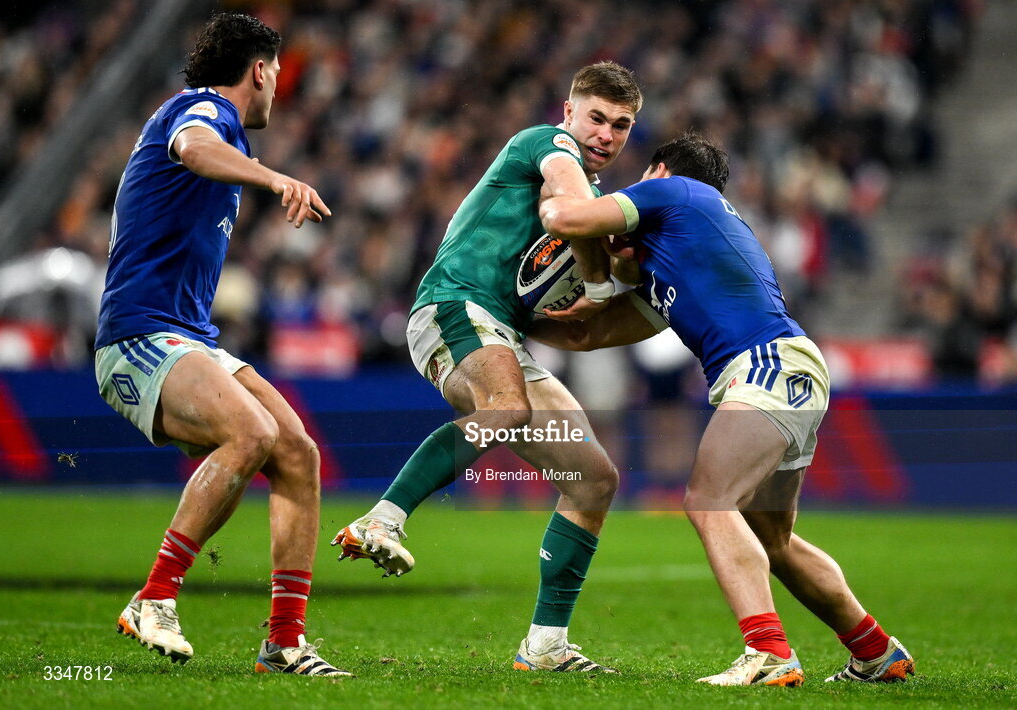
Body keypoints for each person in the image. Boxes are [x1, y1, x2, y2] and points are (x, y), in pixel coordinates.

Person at [531, 132, 916, 686]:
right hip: (789, 371)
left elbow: (569, 219)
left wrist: (547, 185)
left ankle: (769, 654)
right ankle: (877, 651)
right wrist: (520, 325)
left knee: (708, 500)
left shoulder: (676, 191)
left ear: (658, 172)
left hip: (765, 368)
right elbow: (592, 333)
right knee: (772, 539)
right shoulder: (682, 253)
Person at [332, 62, 642, 673]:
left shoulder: (598, 205)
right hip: (453, 305)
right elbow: (565, 193)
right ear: (569, 112)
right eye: (597, 118)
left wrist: (595, 306)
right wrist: (607, 274)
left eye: (622, 125)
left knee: (594, 479)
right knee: (505, 407)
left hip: (501, 331)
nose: (605, 134)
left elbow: (569, 318)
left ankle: (545, 645)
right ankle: (380, 519)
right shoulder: (547, 145)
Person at [95, 12, 350, 677]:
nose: (277, 89)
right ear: (260, 69)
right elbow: (192, 146)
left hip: (189, 337)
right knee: (251, 433)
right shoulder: (202, 111)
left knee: (297, 452)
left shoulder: (224, 131)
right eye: (276, 74)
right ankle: (154, 597)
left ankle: (284, 642)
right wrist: (271, 178)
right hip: (139, 335)